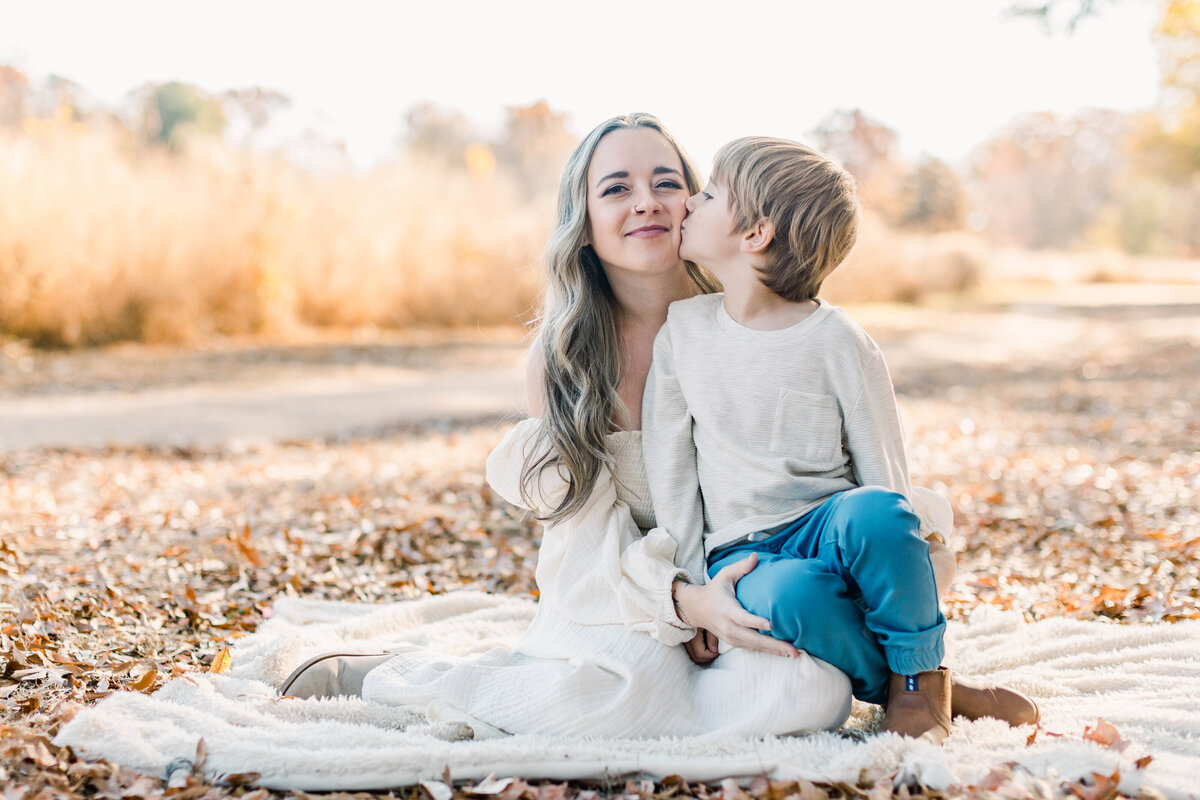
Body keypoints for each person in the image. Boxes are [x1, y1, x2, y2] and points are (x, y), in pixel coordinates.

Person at [278, 113, 856, 737]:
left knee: (815, 691)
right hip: (613, 594)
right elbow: (586, 547)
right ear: (582, 224)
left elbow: (806, 484)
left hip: (746, 582)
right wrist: (686, 604)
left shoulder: (754, 325)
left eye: (667, 182)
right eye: (615, 189)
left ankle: (695, 700)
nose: (646, 203)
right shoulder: (565, 361)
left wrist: (735, 601)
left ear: (699, 202)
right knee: (620, 697)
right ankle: (402, 677)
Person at [643, 137, 1039, 744]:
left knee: (877, 511)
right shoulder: (684, 331)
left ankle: (919, 674)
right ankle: (917, 690)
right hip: (744, 552)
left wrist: (909, 553)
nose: (691, 202)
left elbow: (883, 466)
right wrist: (694, 585)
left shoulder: (837, 339)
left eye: (710, 193)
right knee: (792, 595)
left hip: (830, 525)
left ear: (755, 234)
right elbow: (671, 467)